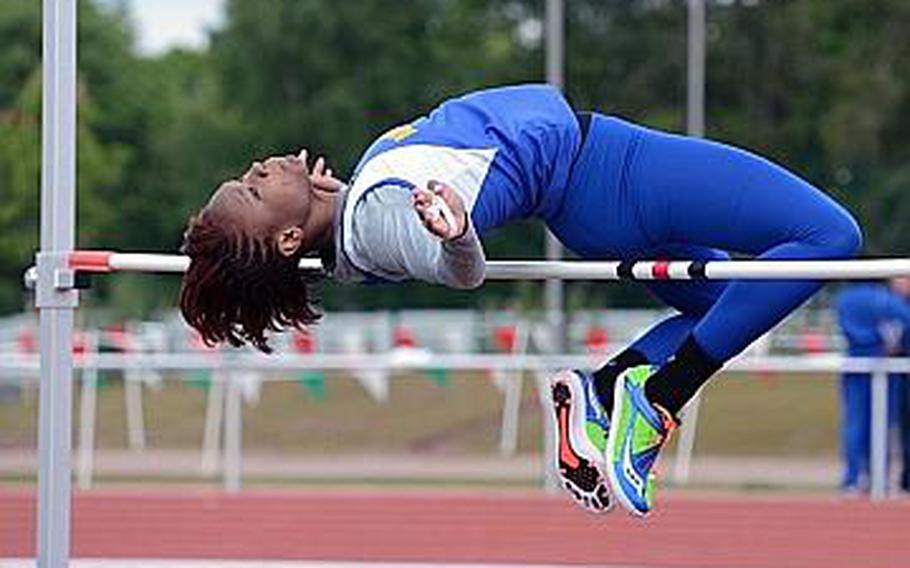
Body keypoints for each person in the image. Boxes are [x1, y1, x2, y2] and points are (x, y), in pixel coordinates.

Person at [179, 84, 862, 517]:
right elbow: (453, 265)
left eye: (247, 176)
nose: (258, 169)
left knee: (725, 305)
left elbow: (364, 240)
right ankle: (656, 400)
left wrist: (333, 197)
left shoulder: (359, 213)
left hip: (596, 196)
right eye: (253, 190)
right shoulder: (384, 215)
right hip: (612, 172)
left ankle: (606, 389)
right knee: (828, 233)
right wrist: (454, 237)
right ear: (288, 233)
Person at [836, 278, 910, 492]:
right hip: (883, 364)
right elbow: (905, 319)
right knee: (882, 422)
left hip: (855, 364)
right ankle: (879, 477)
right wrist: (888, 341)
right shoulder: (884, 298)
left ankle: (852, 478)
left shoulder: (844, 298)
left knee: (854, 423)